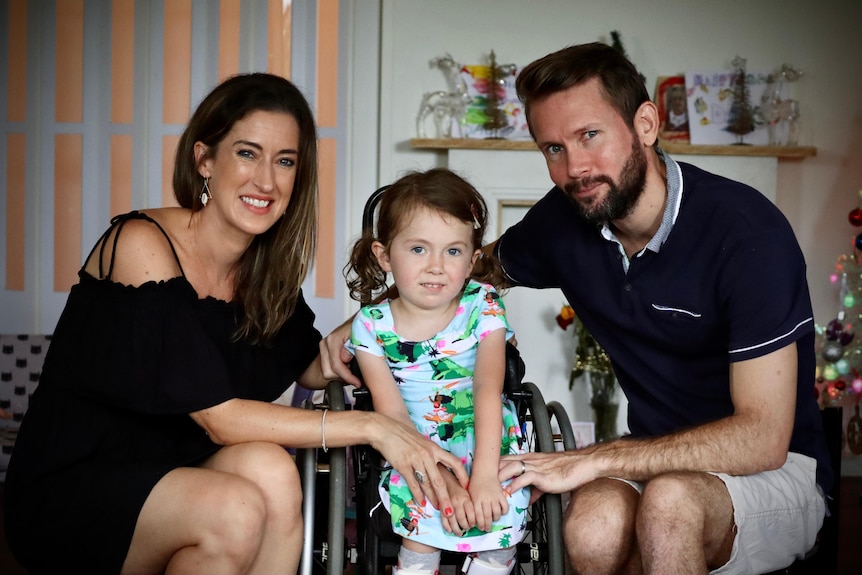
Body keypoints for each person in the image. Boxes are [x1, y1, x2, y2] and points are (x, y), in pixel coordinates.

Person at [323, 42, 831, 575]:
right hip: (656, 455)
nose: (575, 169)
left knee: (670, 506)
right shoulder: (567, 218)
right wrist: (362, 328)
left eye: (590, 136)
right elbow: (460, 273)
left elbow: (762, 438)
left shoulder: (748, 234)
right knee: (590, 525)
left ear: (646, 125)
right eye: (553, 149)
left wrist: (590, 458)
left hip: (777, 472)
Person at [4, 73, 467, 575]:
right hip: (76, 487)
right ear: (204, 160)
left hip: (175, 473)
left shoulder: (262, 271)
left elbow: (311, 366)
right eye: (248, 153)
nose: (266, 181)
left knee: (273, 471)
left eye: (285, 161)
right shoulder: (140, 243)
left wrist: (398, 306)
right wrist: (374, 428)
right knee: (234, 511)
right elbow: (217, 418)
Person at [343, 169, 529, 575]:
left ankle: (492, 564)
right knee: (423, 505)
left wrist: (482, 477)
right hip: (411, 440)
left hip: (486, 433)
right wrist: (441, 482)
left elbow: (486, 387)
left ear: (472, 261)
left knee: (503, 499)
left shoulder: (483, 304)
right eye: (418, 250)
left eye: (453, 251)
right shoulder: (371, 326)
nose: (436, 267)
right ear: (384, 255)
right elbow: (391, 414)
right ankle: (414, 568)